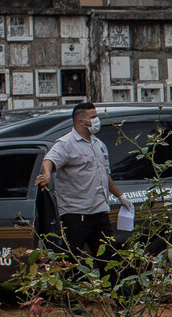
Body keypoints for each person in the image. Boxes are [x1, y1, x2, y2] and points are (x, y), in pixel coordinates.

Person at [36, 102, 129, 261]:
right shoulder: (66, 143)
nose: (97, 120)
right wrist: (46, 174)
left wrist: (121, 197)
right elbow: (49, 160)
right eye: (93, 117)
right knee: (72, 261)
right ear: (81, 121)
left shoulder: (99, 145)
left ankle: (111, 286)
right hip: (76, 215)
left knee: (109, 259)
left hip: (100, 212)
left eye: (96, 116)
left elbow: (104, 175)